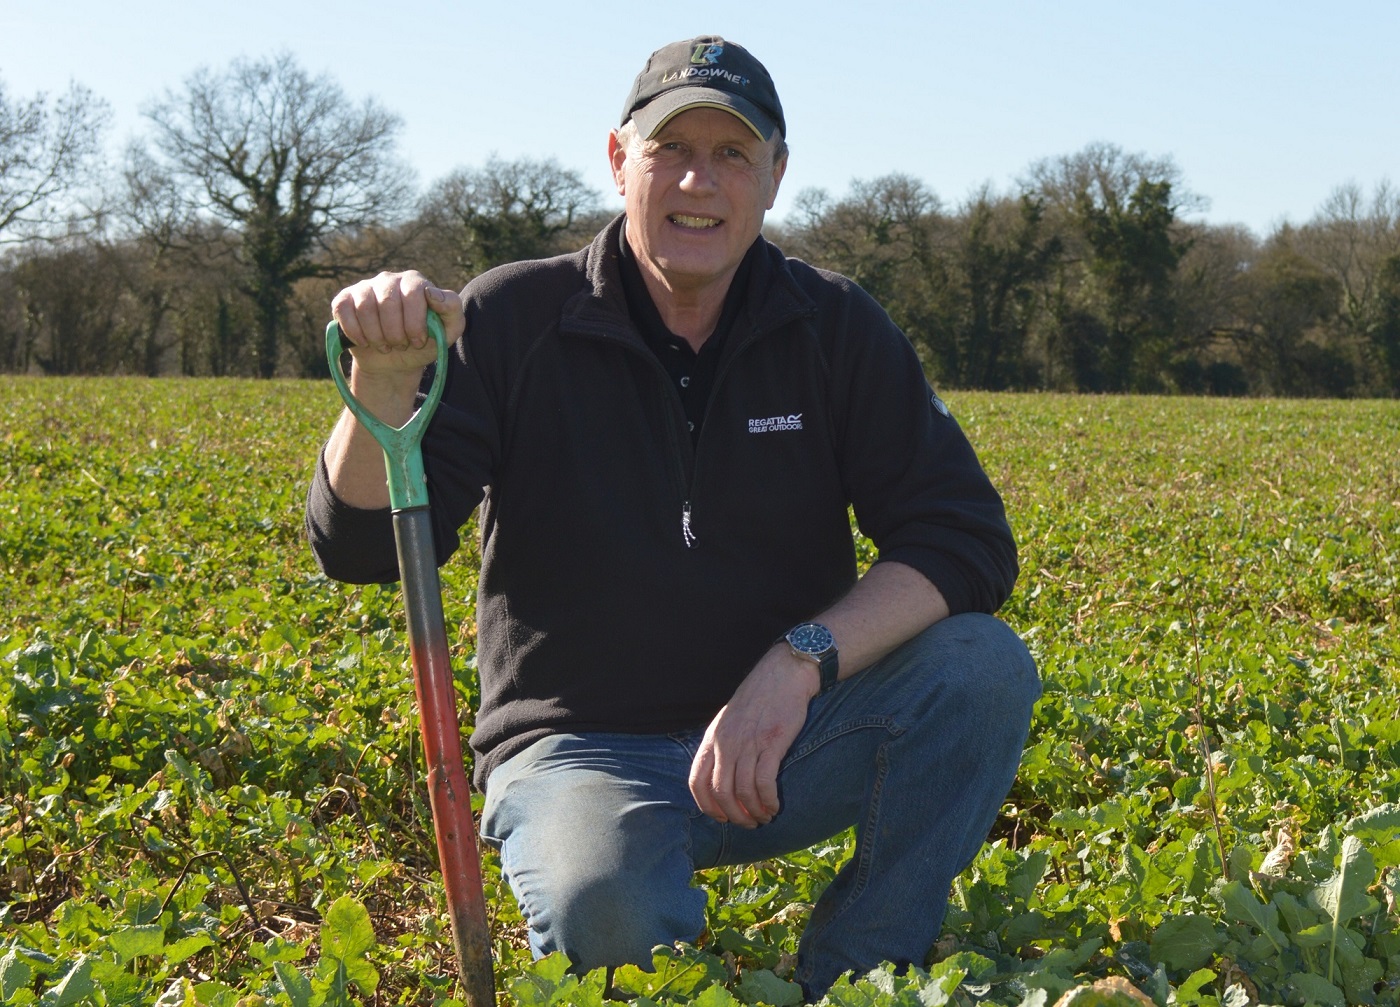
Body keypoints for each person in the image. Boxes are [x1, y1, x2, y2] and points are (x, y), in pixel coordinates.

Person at [306, 35, 1040, 1000]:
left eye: (732, 153)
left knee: (980, 667)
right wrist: (384, 383)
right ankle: (632, 913)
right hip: (579, 751)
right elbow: (360, 546)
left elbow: (963, 537)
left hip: (787, 736)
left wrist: (797, 663)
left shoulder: (833, 324)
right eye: (670, 149)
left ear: (775, 177)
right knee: (605, 914)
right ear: (620, 161)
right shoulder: (514, 319)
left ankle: (865, 966)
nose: (700, 179)